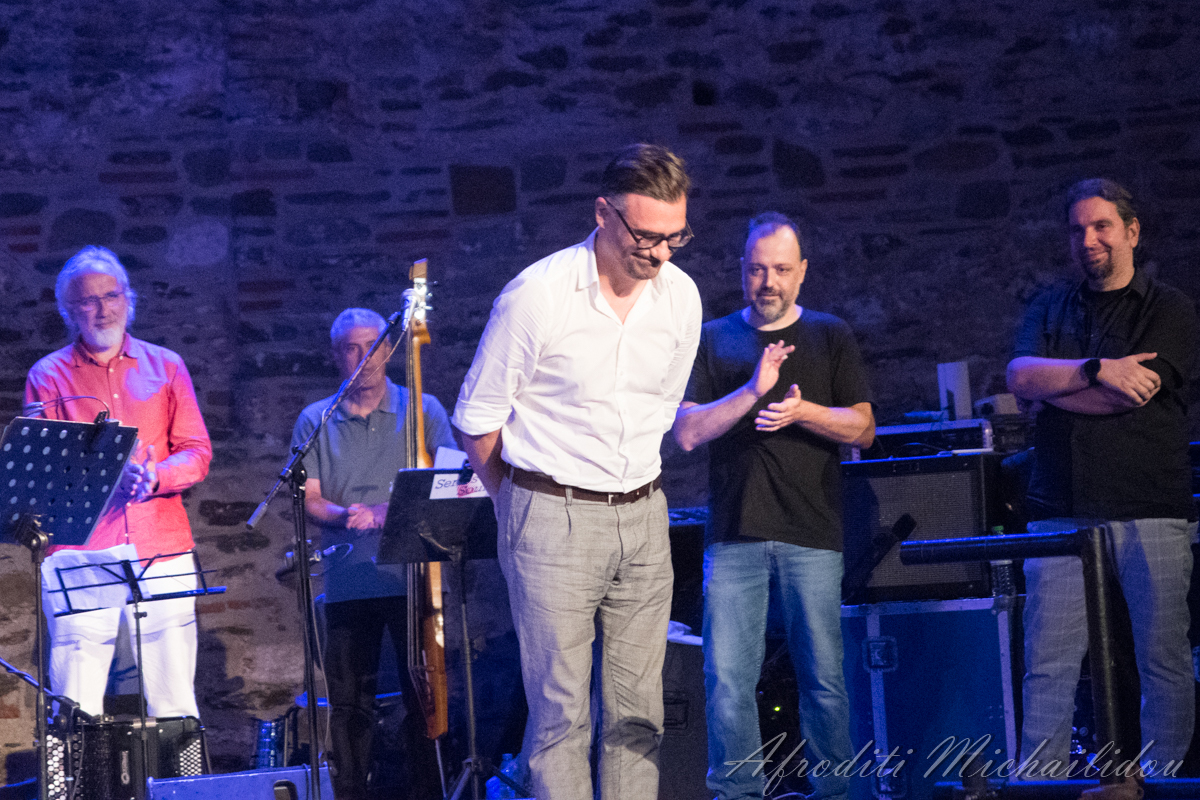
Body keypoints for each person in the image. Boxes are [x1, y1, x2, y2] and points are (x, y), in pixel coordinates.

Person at [452, 143, 702, 800]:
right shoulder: (537, 296)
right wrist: (520, 505)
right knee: (561, 718)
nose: (660, 254)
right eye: (646, 236)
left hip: (644, 516)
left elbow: (662, 411)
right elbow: (476, 420)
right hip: (550, 514)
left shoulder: (680, 298)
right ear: (602, 213)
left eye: (674, 237)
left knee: (639, 716)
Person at [673, 212, 875, 800]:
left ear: (802, 271)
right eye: (758, 269)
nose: (769, 281)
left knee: (824, 680)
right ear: (742, 270)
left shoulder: (830, 334)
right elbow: (687, 433)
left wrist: (801, 411)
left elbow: (863, 429)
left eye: (782, 270)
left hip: (812, 533)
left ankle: (835, 793)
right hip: (733, 534)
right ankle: (737, 793)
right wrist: (753, 391)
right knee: (727, 680)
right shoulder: (713, 338)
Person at [1008, 178, 1199, 774]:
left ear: (1131, 232)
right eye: (1077, 230)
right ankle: (1040, 783)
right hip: (1060, 507)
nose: (1087, 240)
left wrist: (1059, 387)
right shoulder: (1050, 305)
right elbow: (1019, 376)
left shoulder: (1168, 307)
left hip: (1150, 505)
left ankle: (1162, 782)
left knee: (1162, 659)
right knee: (1048, 663)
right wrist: (1098, 369)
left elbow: (1132, 396)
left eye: (1101, 226)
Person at [25, 245, 212, 719]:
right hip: (81, 550)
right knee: (76, 704)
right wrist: (104, 476)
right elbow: (43, 471)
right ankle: (74, 771)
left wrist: (155, 477)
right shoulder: (48, 375)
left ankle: (180, 771)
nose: (103, 309)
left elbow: (196, 451)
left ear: (129, 298)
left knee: (174, 700)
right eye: (88, 300)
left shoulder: (167, 365)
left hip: (161, 546)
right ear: (69, 310)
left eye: (112, 295)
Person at [291, 307, 455, 800]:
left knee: (424, 697)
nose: (363, 358)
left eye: (372, 346)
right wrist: (348, 515)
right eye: (351, 348)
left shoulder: (424, 409)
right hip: (348, 578)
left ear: (389, 350)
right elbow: (308, 499)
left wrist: (387, 511)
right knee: (349, 704)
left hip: (413, 580)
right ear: (336, 355)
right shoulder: (316, 419)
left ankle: (429, 792)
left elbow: (451, 481)